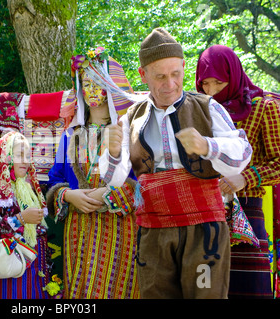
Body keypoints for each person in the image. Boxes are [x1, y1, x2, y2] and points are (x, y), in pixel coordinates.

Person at [99, 28, 253, 299]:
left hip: (204, 231)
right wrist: (112, 152)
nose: (169, 84)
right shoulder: (131, 118)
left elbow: (242, 154)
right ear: (143, 74)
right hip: (154, 231)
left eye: (176, 74)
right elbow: (113, 178)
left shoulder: (207, 107)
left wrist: (208, 146)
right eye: (159, 76)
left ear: (183, 67)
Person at [46, 47, 140, 299]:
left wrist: (111, 195)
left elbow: (144, 181)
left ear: (111, 86)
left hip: (120, 230)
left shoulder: (130, 132)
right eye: (85, 83)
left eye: (97, 82)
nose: (90, 90)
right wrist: (68, 196)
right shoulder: (71, 136)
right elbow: (55, 180)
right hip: (79, 231)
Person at [196, 44, 280, 298]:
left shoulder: (263, 108)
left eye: (218, 83)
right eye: (205, 84)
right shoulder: (198, 112)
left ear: (232, 77)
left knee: (247, 290)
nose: (211, 91)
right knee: (205, 288)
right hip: (203, 215)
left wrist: (245, 177)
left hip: (248, 213)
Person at [0, 131, 50, 299]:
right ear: (5, 157)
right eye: (20, 155)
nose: (26, 161)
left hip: (34, 272)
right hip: (6, 276)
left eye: (28, 156)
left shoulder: (28, 190)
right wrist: (20, 219)